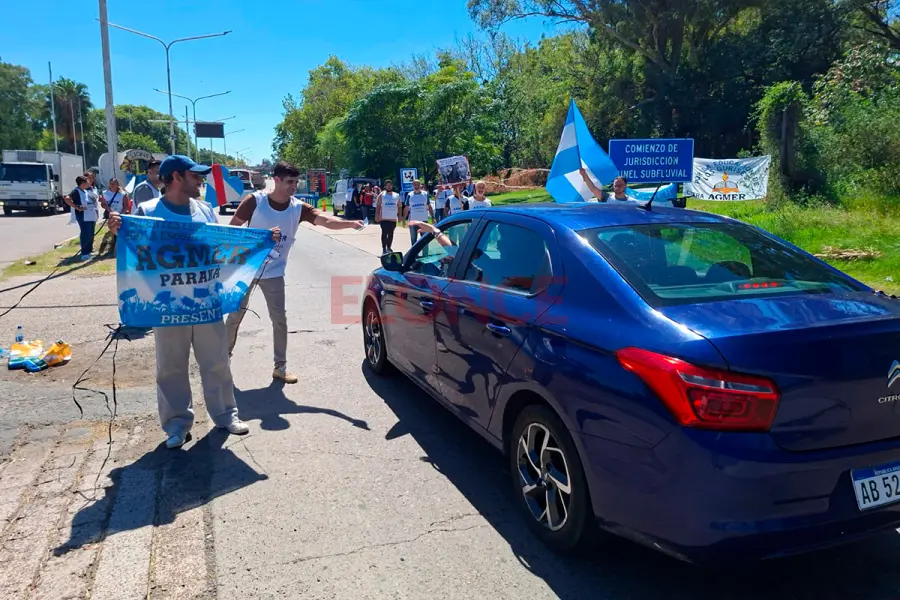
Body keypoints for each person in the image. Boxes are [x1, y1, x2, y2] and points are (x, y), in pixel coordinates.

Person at [106, 155, 251, 449]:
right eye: (194, 175)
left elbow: (220, 245)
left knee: (217, 362)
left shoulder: (206, 211)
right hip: (168, 306)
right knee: (171, 367)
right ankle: (176, 425)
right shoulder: (148, 211)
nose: (201, 180)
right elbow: (135, 246)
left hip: (206, 302)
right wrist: (118, 228)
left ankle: (225, 415)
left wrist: (261, 240)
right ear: (175, 178)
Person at [226, 161, 364, 384]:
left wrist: (348, 224)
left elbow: (325, 220)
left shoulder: (298, 207)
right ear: (276, 180)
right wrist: (261, 237)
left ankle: (280, 367)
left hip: (274, 273)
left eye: (296, 182)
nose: (293, 186)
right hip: (246, 268)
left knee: (280, 320)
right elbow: (231, 231)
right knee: (235, 316)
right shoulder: (255, 201)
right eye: (289, 181)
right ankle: (224, 360)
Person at [63, 176, 97, 260]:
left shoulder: (85, 191)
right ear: (82, 183)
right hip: (83, 216)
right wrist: (77, 207)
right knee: (85, 233)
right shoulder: (76, 191)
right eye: (87, 182)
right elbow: (67, 198)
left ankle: (89, 251)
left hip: (90, 215)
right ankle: (84, 253)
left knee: (90, 233)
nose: (89, 183)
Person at [99, 178, 130, 256]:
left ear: (117, 185)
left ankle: (119, 250)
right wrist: (108, 209)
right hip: (110, 215)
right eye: (111, 183)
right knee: (110, 232)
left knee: (118, 232)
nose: (112, 185)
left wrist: (121, 214)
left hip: (119, 215)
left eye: (114, 183)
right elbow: (103, 204)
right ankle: (110, 249)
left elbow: (126, 205)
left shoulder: (122, 194)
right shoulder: (105, 193)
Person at [403, 179, 433, 245]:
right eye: (415, 184)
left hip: (424, 220)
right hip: (413, 221)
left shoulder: (425, 194)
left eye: (418, 184)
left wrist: (433, 217)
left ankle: (425, 254)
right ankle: (415, 255)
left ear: (420, 185)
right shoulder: (409, 195)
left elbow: (429, 206)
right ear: (412, 185)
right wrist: (403, 219)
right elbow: (406, 208)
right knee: (414, 240)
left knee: (425, 239)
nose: (416, 185)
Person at [375, 179, 401, 254]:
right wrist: (377, 215)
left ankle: (389, 247)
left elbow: (399, 206)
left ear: (392, 186)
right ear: (385, 186)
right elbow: (378, 205)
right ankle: (384, 248)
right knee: (384, 233)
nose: (389, 187)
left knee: (391, 233)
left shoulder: (396, 195)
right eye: (387, 185)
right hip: (384, 218)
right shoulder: (382, 195)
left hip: (393, 218)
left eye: (390, 185)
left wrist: (399, 216)